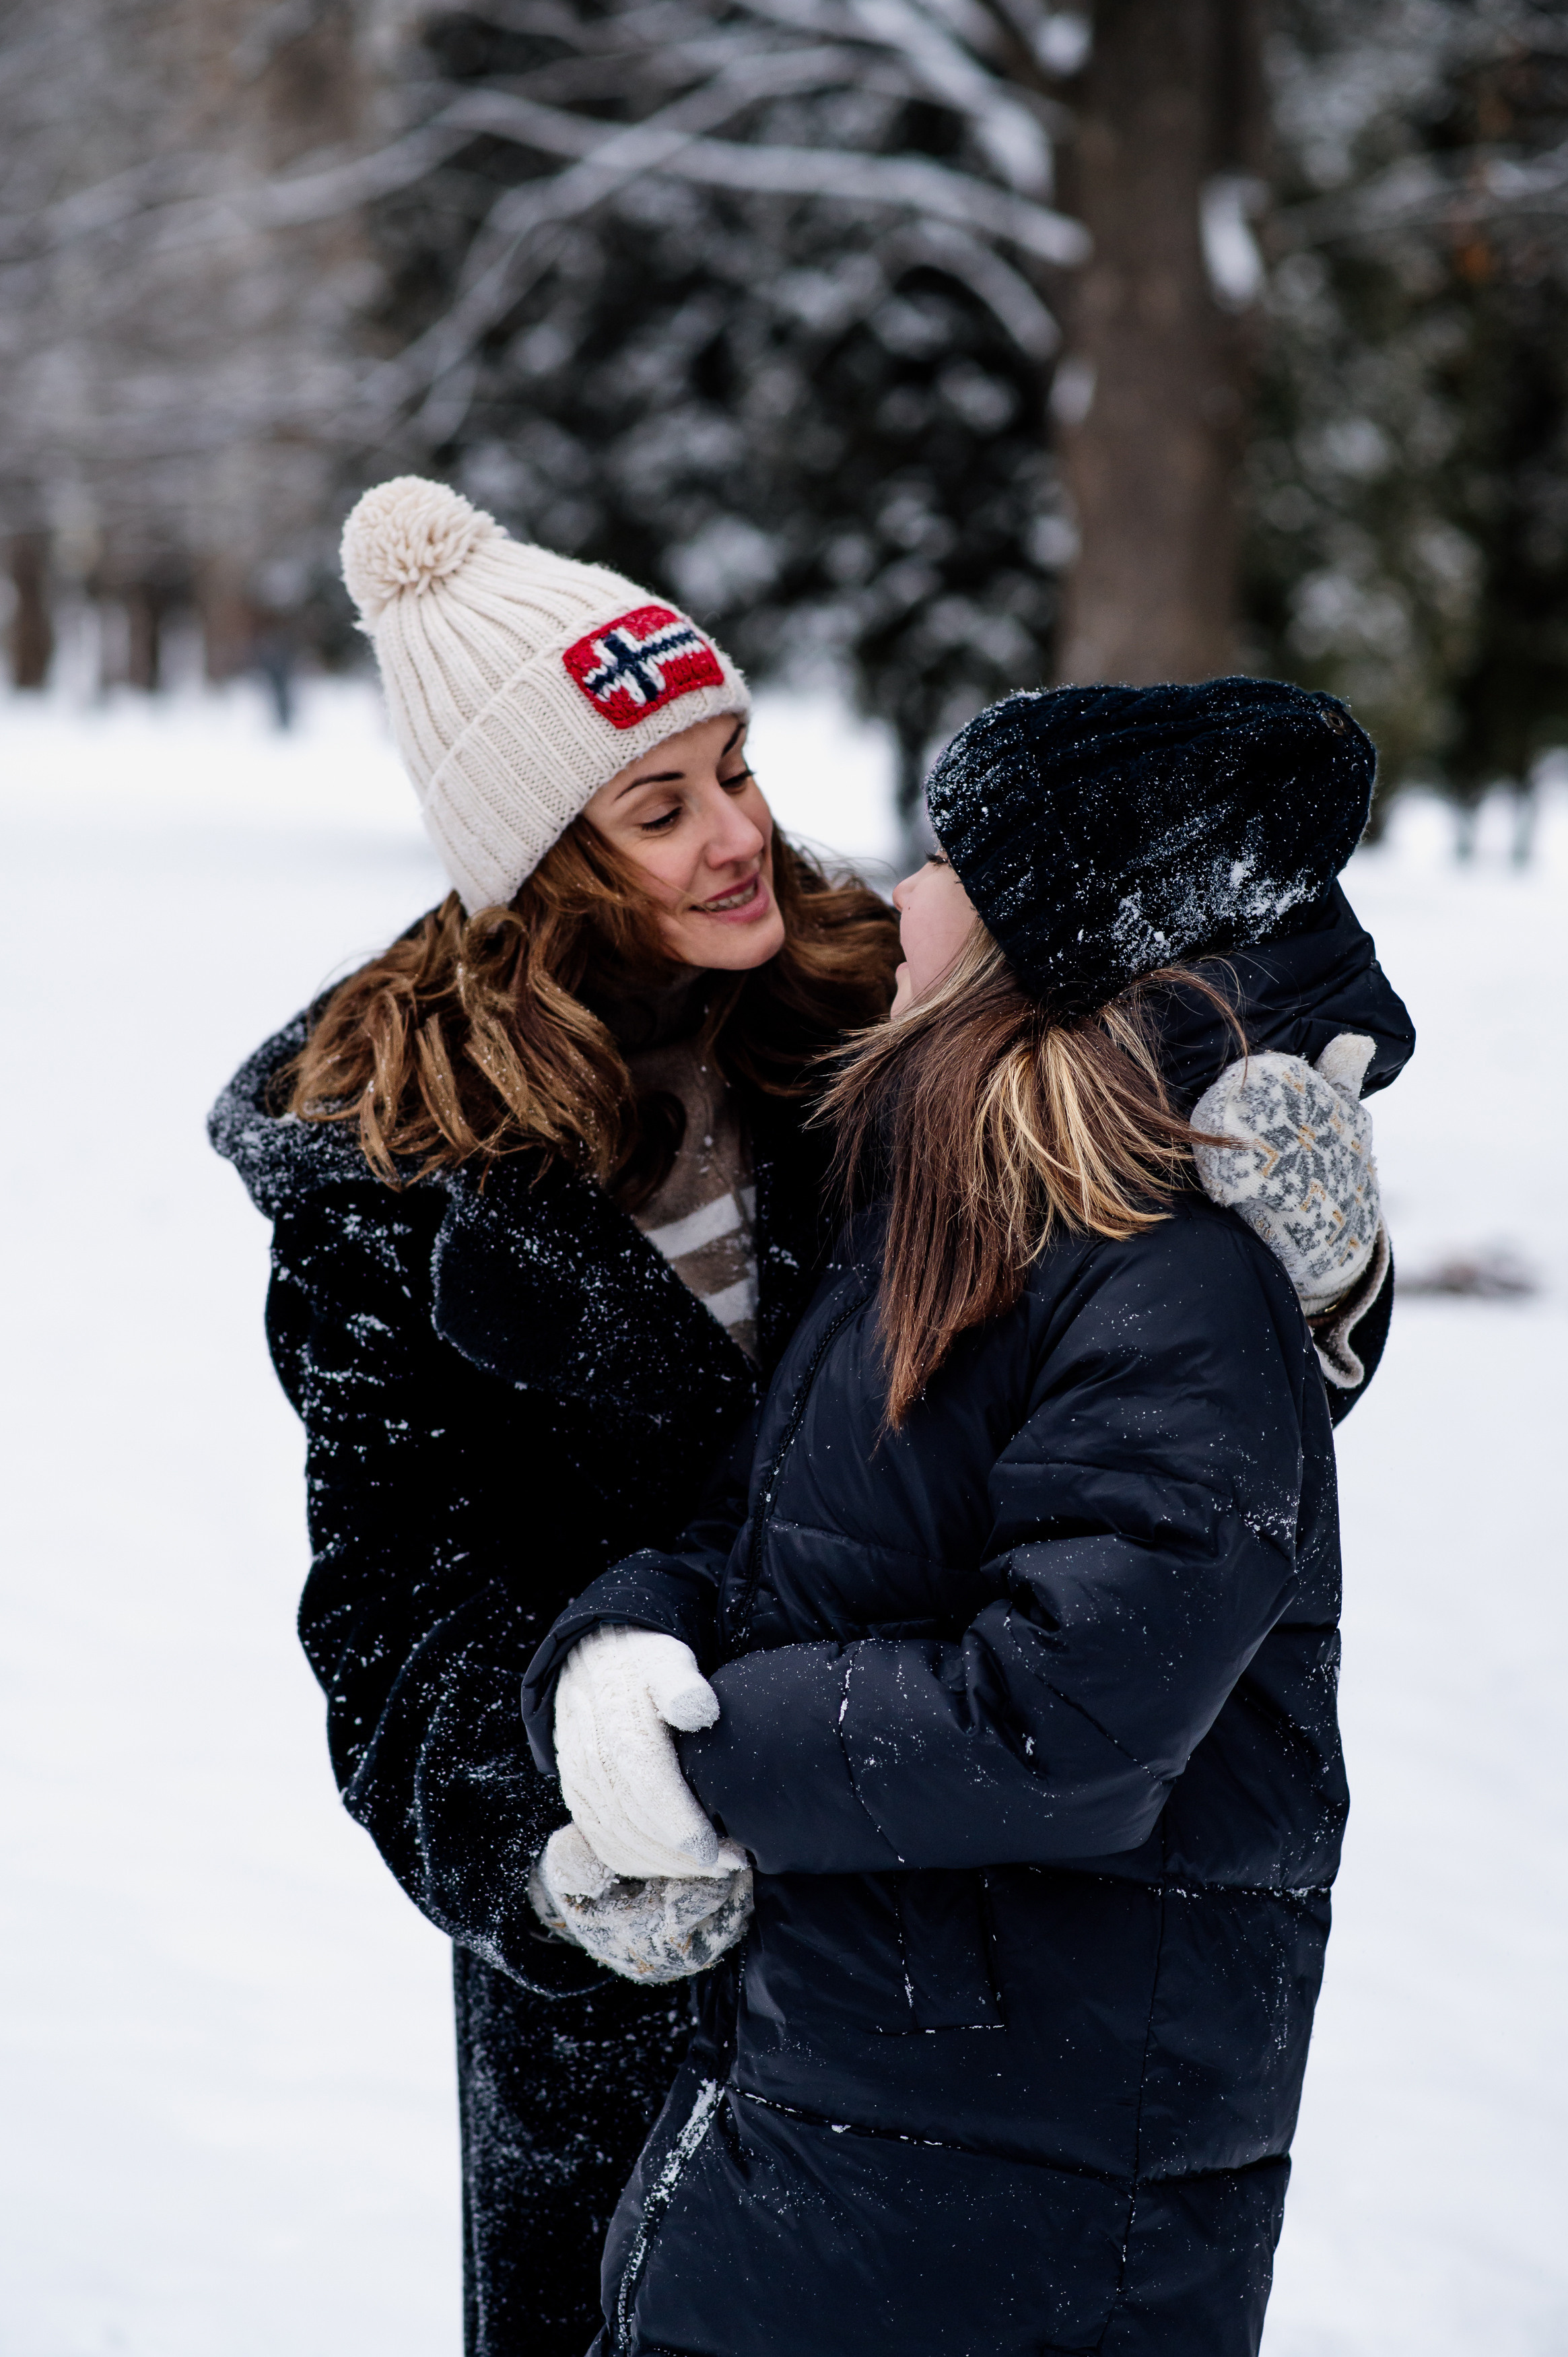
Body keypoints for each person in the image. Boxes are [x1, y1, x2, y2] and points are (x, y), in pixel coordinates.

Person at [520, 679, 1416, 2357]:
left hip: (1013, 2174)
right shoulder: (952, 1193)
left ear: (1042, 934)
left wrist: (708, 1765)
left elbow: (1070, 1715)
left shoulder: (1168, 1262)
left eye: (943, 860)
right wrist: (626, 1656)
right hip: (865, 2103)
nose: (895, 891)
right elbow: (788, 1526)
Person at [209, 476, 901, 2355]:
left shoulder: (880, 1023)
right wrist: (548, 1849)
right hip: (630, 2015)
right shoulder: (395, 1186)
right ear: (543, 862)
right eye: (658, 808)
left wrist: (1307, 1266)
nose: (740, 836)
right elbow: (392, 1610)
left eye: (735, 770)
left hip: (939, 1895)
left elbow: (1121, 1398)